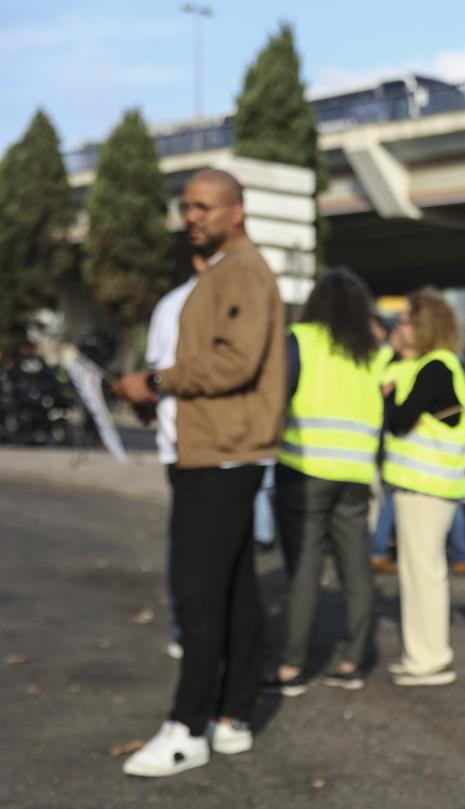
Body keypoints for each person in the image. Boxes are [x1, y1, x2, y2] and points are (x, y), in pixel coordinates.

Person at [114, 168, 287, 777]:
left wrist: (156, 380)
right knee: (235, 589)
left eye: (205, 207)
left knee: (199, 593)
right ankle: (233, 716)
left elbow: (234, 361)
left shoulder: (242, 271)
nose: (192, 217)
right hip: (216, 451)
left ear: (236, 212)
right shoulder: (224, 272)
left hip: (221, 455)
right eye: (187, 207)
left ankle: (188, 728)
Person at [263, 268, 384, 697]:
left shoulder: (301, 340)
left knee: (304, 571)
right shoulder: (370, 352)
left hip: (305, 470)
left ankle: (292, 666)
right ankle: (354, 659)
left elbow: (275, 395)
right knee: (356, 568)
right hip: (354, 475)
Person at [382, 288, 465, 686]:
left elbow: (399, 419)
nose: (397, 328)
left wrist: (387, 398)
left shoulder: (435, 366)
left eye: (403, 321)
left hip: (427, 487)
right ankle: (421, 654)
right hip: (423, 487)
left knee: (424, 574)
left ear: (423, 326)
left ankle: (431, 658)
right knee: (418, 573)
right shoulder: (433, 365)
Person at [141, 250, 209, 661]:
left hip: (178, 442)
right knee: (206, 546)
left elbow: (156, 375)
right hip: (205, 444)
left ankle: (187, 629)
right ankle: (196, 630)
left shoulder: (168, 305)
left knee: (186, 544)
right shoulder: (189, 304)